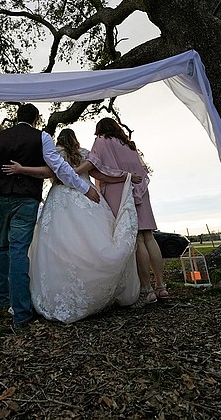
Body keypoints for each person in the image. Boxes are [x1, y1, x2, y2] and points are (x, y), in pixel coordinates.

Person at [2, 128, 143, 323]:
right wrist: (125, 177)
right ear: (75, 139)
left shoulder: (54, 152)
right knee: (89, 241)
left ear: (58, 140)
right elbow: (102, 175)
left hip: (60, 196)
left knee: (59, 244)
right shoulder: (84, 153)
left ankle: (60, 291)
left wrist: (21, 170)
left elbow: (47, 173)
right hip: (88, 196)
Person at [0, 104, 100, 326]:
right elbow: (58, 167)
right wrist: (84, 188)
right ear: (36, 118)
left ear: (16, 117)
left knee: (3, 247)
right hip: (25, 198)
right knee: (18, 251)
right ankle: (20, 312)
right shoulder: (42, 137)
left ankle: (3, 299)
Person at [87, 117, 167, 308]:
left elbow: (96, 167)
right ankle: (161, 286)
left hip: (120, 192)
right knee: (149, 237)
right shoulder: (130, 146)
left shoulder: (101, 141)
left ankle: (147, 290)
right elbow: (143, 171)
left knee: (137, 239)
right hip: (141, 190)